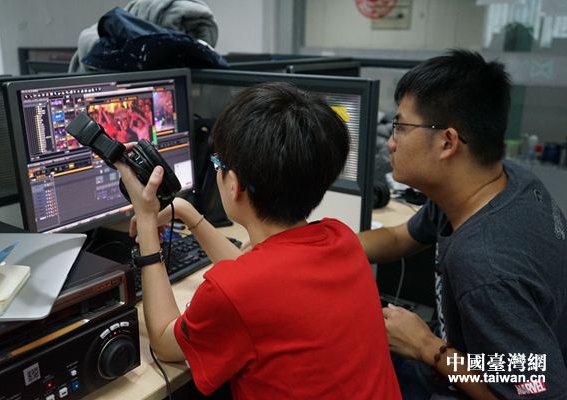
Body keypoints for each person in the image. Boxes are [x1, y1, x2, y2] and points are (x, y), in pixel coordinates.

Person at [115, 82, 401, 399]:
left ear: (234, 184)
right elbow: (255, 278)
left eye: (217, 164)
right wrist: (186, 212)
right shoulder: (341, 238)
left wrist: (146, 222)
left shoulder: (234, 291)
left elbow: (164, 341)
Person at [358, 49, 567, 399]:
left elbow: (536, 391)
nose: (390, 142)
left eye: (400, 127)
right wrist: (317, 248)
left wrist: (426, 347)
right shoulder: (497, 182)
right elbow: (398, 238)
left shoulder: (486, 264)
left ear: (447, 142)